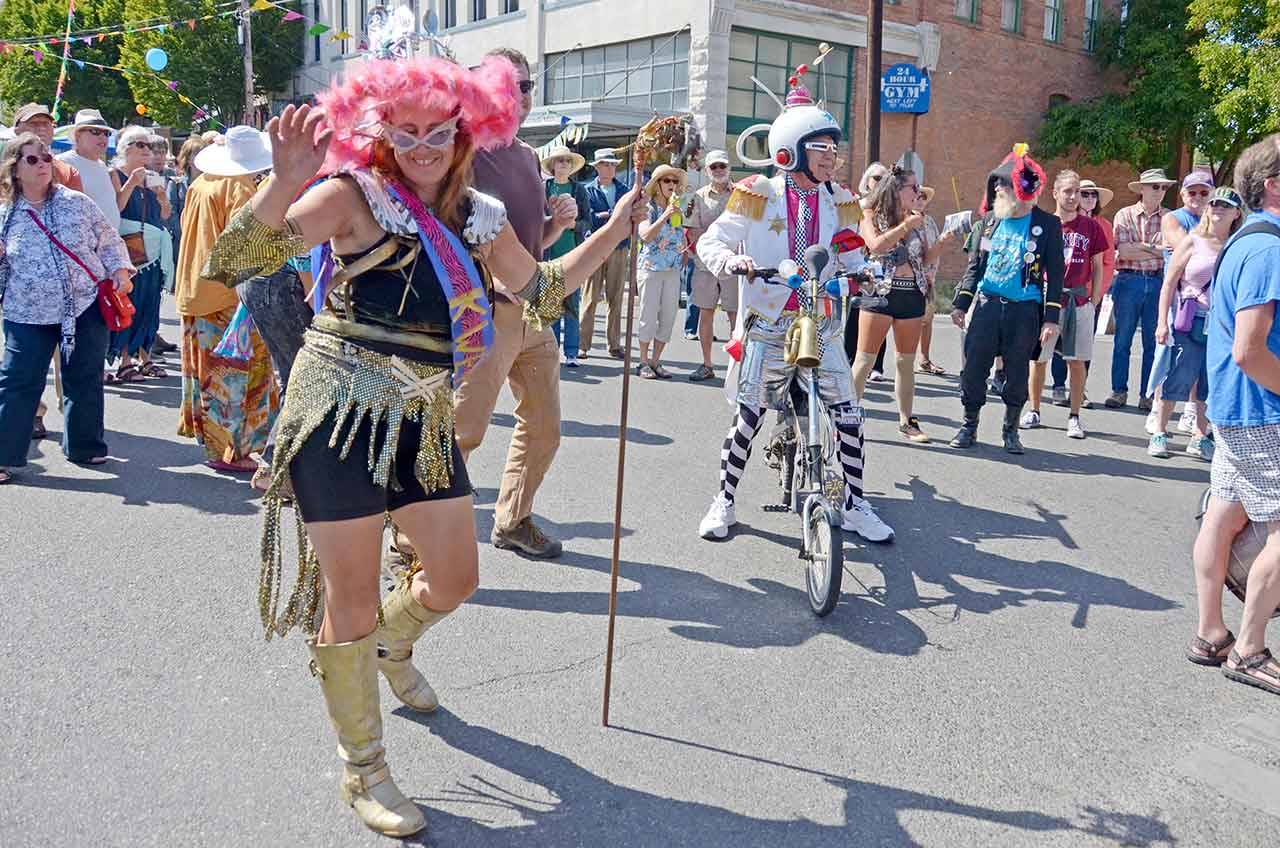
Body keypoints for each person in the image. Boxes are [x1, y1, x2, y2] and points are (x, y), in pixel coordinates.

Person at [200, 54, 643, 836]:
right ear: (381, 131)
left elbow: (539, 294)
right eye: (405, 132)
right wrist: (284, 177)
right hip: (337, 410)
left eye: (438, 131)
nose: (423, 146)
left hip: (422, 418)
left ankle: (387, 647)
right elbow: (232, 265)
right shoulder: (351, 195)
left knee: (456, 576)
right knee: (351, 597)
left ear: (467, 132)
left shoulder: (480, 216)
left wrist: (612, 230)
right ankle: (363, 768)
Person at [696, 74, 893, 543]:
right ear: (791, 149)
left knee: (848, 411)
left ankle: (856, 503)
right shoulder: (757, 191)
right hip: (768, 321)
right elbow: (712, 238)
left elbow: (849, 251)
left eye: (832, 148)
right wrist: (733, 260)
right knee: (750, 414)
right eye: (820, 147)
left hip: (820, 320)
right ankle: (723, 501)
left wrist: (866, 270)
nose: (831, 156)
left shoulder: (840, 198)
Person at [460, 46, 579, 559]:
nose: (520, 94)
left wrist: (557, 225)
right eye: (508, 83)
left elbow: (530, 248)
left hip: (532, 310)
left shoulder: (529, 155)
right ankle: (411, 543)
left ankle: (512, 520)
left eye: (527, 85)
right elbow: (447, 233)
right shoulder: (463, 151)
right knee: (462, 432)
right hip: (485, 311)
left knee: (545, 425)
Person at [1190, 133, 1280, 697]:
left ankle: (1210, 633)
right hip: (1263, 410)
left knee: (1223, 516)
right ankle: (1248, 648)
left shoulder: (1245, 240)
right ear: (1274, 185)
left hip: (1234, 407)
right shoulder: (1270, 249)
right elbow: (1250, 347)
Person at [0, 133, 133, 484]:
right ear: (15, 170)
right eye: (33, 159)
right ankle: (4, 456)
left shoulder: (77, 203)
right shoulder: (5, 214)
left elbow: (109, 241)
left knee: (84, 377)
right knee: (17, 381)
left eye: (46, 157)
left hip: (84, 305)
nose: (43, 164)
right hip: (25, 312)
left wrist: (120, 271)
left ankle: (85, 446)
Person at [175, 126, 280, 472]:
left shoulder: (201, 182)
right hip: (228, 295)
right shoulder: (240, 186)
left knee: (208, 373)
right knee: (232, 374)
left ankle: (219, 445)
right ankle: (232, 450)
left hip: (197, 288)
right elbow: (246, 244)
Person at [949, 144, 1065, 455]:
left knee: (1017, 373)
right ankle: (969, 425)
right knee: (974, 368)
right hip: (987, 306)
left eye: (1004, 185)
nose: (998, 190)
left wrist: (1051, 319)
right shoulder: (989, 222)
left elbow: (1056, 274)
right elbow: (975, 266)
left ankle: (1010, 430)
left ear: (1020, 189)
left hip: (1024, 311)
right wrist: (962, 303)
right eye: (996, 185)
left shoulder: (1048, 225)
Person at [1150, 187, 1244, 458]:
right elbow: (1169, 283)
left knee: (1209, 382)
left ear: (1236, 213)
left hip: (1222, 325)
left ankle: (1200, 435)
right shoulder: (1193, 240)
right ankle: (1159, 430)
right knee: (1178, 374)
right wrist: (1161, 323)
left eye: (1225, 205)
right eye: (1214, 204)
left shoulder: (1237, 246)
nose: (1217, 208)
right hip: (1191, 319)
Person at [855, 165, 940, 442]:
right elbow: (875, 245)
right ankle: (847, 416)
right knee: (865, 360)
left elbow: (926, 258)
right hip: (879, 292)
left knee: (905, 361)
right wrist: (905, 226)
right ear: (896, 190)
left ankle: (906, 421)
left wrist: (946, 240)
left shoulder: (920, 219)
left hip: (911, 294)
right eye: (913, 188)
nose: (918, 192)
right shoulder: (871, 214)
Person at [1022, 171, 1106, 439]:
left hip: (1079, 300)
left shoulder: (1091, 227)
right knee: (1038, 358)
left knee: (1077, 360)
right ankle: (1034, 409)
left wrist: (1093, 301)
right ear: (1055, 193)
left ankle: (1074, 415)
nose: (1073, 197)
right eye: (1067, 191)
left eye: (1077, 192)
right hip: (1048, 300)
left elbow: (1098, 265)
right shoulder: (1045, 224)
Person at [107, 125, 173, 382]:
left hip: (153, 247)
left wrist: (162, 198)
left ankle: (145, 358)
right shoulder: (115, 174)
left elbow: (165, 215)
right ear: (126, 148)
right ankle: (125, 361)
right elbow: (116, 209)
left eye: (150, 146)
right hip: (129, 246)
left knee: (150, 303)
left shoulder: (155, 177)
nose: (149, 150)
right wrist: (131, 184)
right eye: (142, 145)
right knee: (129, 304)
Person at [1106, 168, 1174, 411]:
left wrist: (1141, 247)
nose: (1161, 191)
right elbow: (1123, 251)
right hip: (1128, 280)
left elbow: (1170, 252)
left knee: (1152, 342)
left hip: (1157, 282)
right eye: (1155, 186)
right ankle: (1118, 391)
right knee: (1122, 339)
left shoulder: (1170, 218)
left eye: (1164, 187)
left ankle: (1147, 394)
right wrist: (1154, 248)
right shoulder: (1124, 214)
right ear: (1142, 189)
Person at [1049, 177, 1115, 406]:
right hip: (1060, 293)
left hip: (1085, 295)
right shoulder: (1057, 222)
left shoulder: (1102, 226)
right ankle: (1058, 384)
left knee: (1081, 349)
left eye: (1091, 194)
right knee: (1054, 343)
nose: (1087, 198)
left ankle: (1079, 390)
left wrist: (1096, 296)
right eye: (1083, 193)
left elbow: (1106, 263)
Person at [684, 149, 739, 381]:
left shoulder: (741, 195)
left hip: (734, 264)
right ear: (707, 170)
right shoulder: (696, 197)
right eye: (714, 167)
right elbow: (692, 231)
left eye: (722, 166)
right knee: (705, 314)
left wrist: (712, 234)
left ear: (729, 168)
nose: (718, 170)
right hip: (705, 265)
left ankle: (737, 368)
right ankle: (707, 364)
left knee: (735, 316)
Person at [636, 163, 688, 379]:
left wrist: (685, 248)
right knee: (648, 316)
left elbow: (678, 234)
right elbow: (645, 235)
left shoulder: (677, 206)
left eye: (675, 181)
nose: (672, 184)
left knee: (668, 317)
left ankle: (656, 361)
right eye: (667, 180)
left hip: (672, 269)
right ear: (657, 185)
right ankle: (643, 361)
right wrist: (665, 214)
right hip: (651, 268)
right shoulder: (648, 208)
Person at [541, 145, 590, 367]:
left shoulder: (579, 190)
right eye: (560, 160)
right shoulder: (543, 188)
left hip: (572, 253)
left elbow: (588, 222)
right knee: (550, 306)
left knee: (572, 305)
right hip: (547, 254)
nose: (564, 164)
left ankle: (571, 352)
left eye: (567, 161)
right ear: (552, 165)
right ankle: (551, 350)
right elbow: (535, 218)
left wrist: (573, 225)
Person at [580, 148, 630, 359]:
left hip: (619, 247)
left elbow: (628, 216)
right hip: (595, 247)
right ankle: (582, 345)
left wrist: (605, 216)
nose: (609, 168)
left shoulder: (625, 190)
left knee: (615, 298)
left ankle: (614, 345)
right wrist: (612, 215)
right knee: (589, 298)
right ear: (597, 167)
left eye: (612, 164)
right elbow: (587, 217)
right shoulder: (586, 190)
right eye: (605, 164)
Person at [844, 162, 890, 382]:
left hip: (882, 269)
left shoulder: (890, 209)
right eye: (876, 178)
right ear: (867, 181)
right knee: (854, 315)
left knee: (880, 314)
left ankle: (877, 366)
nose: (880, 182)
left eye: (884, 178)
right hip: (857, 264)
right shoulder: (857, 205)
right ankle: (847, 360)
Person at [915, 186, 956, 376]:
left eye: (923, 197)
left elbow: (934, 250)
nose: (920, 200)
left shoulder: (930, 221)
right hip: (908, 278)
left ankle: (924, 358)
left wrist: (932, 273)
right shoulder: (903, 219)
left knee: (927, 319)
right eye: (917, 196)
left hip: (928, 279)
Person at [55, 109, 116, 227]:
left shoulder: (102, 165)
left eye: (106, 133)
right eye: (95, 131)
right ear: (78, 136)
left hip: (108, 240)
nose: (103, 137)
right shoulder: (63, 162)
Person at [12, 103, 81, 192]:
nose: (41, 128)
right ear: (16, 130)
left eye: (46, 123)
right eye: (33, 123)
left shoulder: (67, 172)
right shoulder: (4, 168)